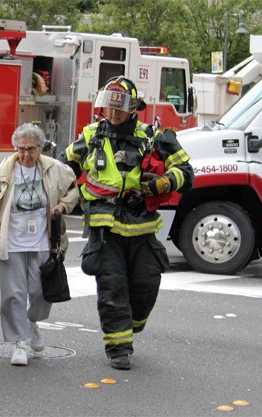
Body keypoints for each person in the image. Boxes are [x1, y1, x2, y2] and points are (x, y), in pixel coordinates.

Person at [59, 76, 194, 370]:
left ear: (133, 107)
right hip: (104, 224)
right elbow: (61, 167)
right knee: (112, 285)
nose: (113, 112)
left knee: (147, 283)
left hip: (142, 222)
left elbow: (186, 171)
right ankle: (118, 346)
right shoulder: (91, 136)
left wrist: (163, 182)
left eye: (118, 107)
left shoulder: (154, 137)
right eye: (108, 106)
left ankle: (131, 324)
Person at [0, 123, 79, 366]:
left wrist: (62, 207)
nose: (25, 155)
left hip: (42, 241)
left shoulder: (54, 169)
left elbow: (73, 191)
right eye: (20, 149)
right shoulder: (1, 174)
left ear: (41, 148)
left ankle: (32, 322)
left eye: (31, 149)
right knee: (13, 295)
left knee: (42, 291)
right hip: (11, 243)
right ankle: (19, 343)